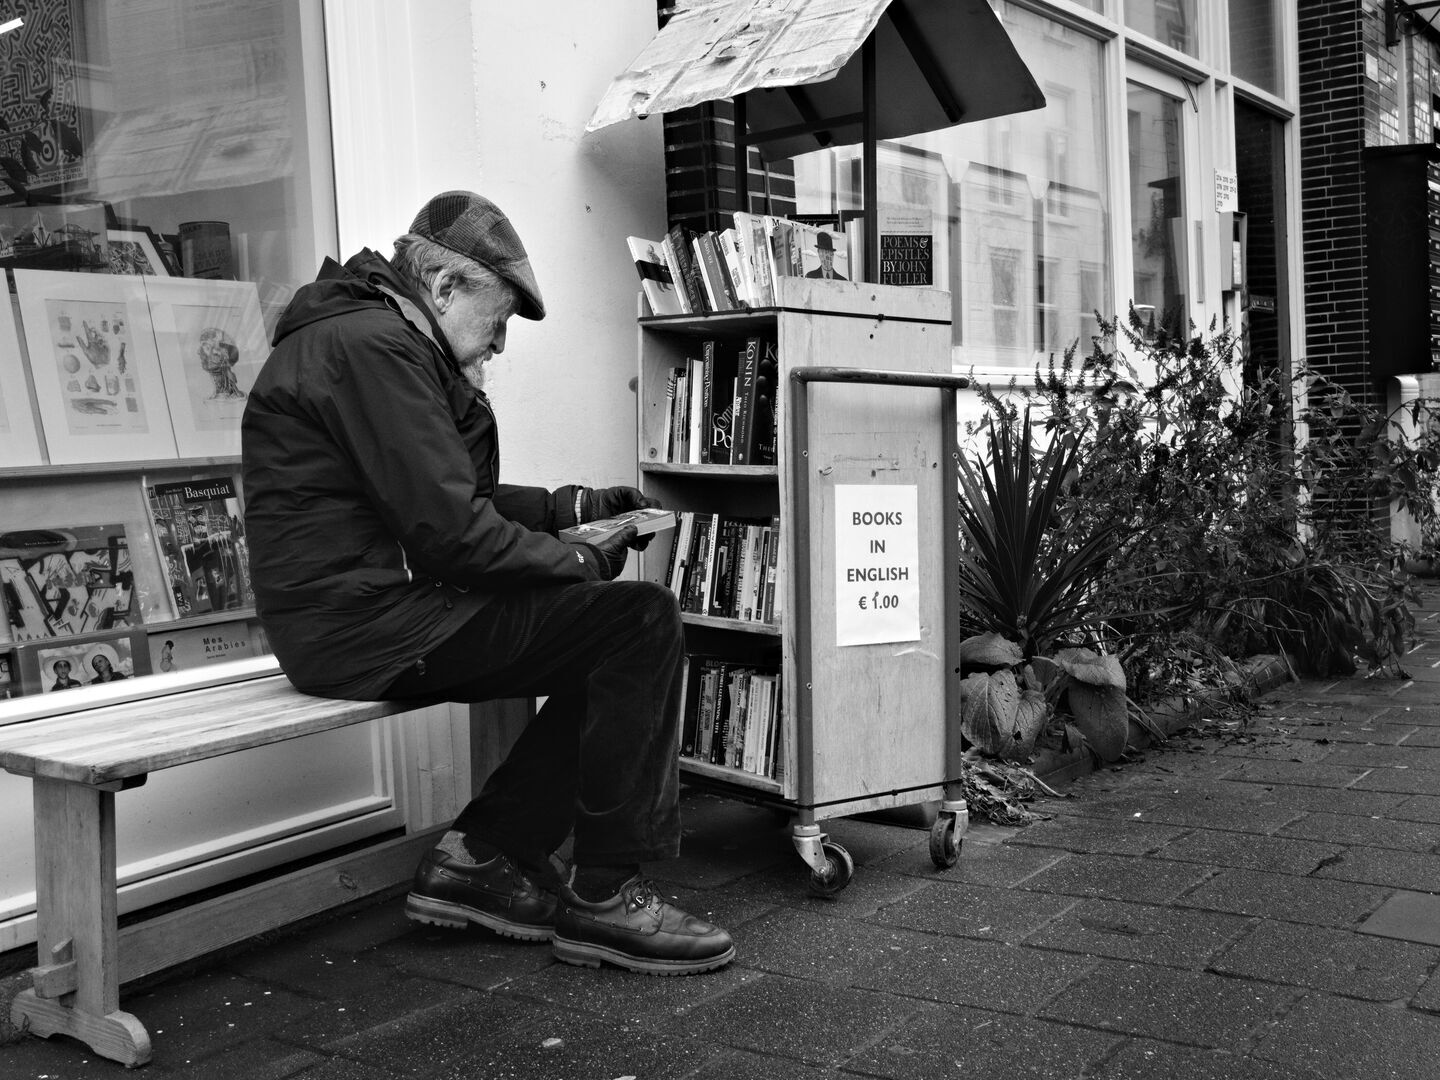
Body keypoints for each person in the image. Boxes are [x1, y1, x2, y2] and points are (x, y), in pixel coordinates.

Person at [241, 190, 734, 976]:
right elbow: (449, 534)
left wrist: (571, 509)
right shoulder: (372, 349)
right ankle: (604, 896)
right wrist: (577, 559)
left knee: (609, 636)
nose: (499, 343)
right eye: (497, 319)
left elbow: (436, 497)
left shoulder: (370, 338)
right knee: (634, 622)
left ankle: (482, 856)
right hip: (366, 628)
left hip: (365, 612)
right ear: (442, 288)